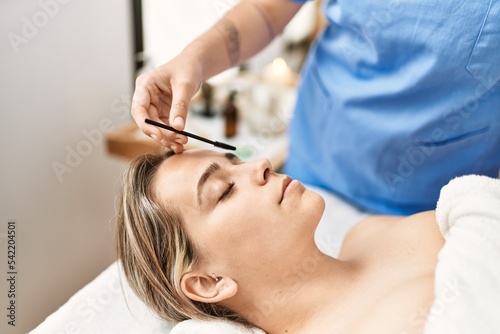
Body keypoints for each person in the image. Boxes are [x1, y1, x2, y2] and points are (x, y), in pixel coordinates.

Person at [131, 0, 500, 216]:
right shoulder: (291, 200)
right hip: (317, 165)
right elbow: (268, 9)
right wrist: (194, 61)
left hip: (436, 200)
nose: (261, 163)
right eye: (225, 191)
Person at [116, 148, 445, 333]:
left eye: (238, 161)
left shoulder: (367, 233)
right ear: (207, 281)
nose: (261, 164)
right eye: (224, 189)